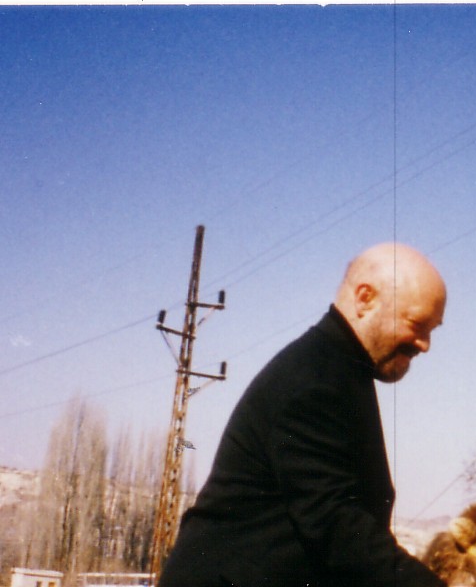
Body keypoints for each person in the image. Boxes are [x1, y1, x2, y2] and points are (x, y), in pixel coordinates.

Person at [160, 243, 448, 587]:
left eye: (433, 330)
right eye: (417, 324)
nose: (425, 344)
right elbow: (337, 528)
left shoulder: (337, 370)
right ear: (365, 299)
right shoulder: (314, 382)